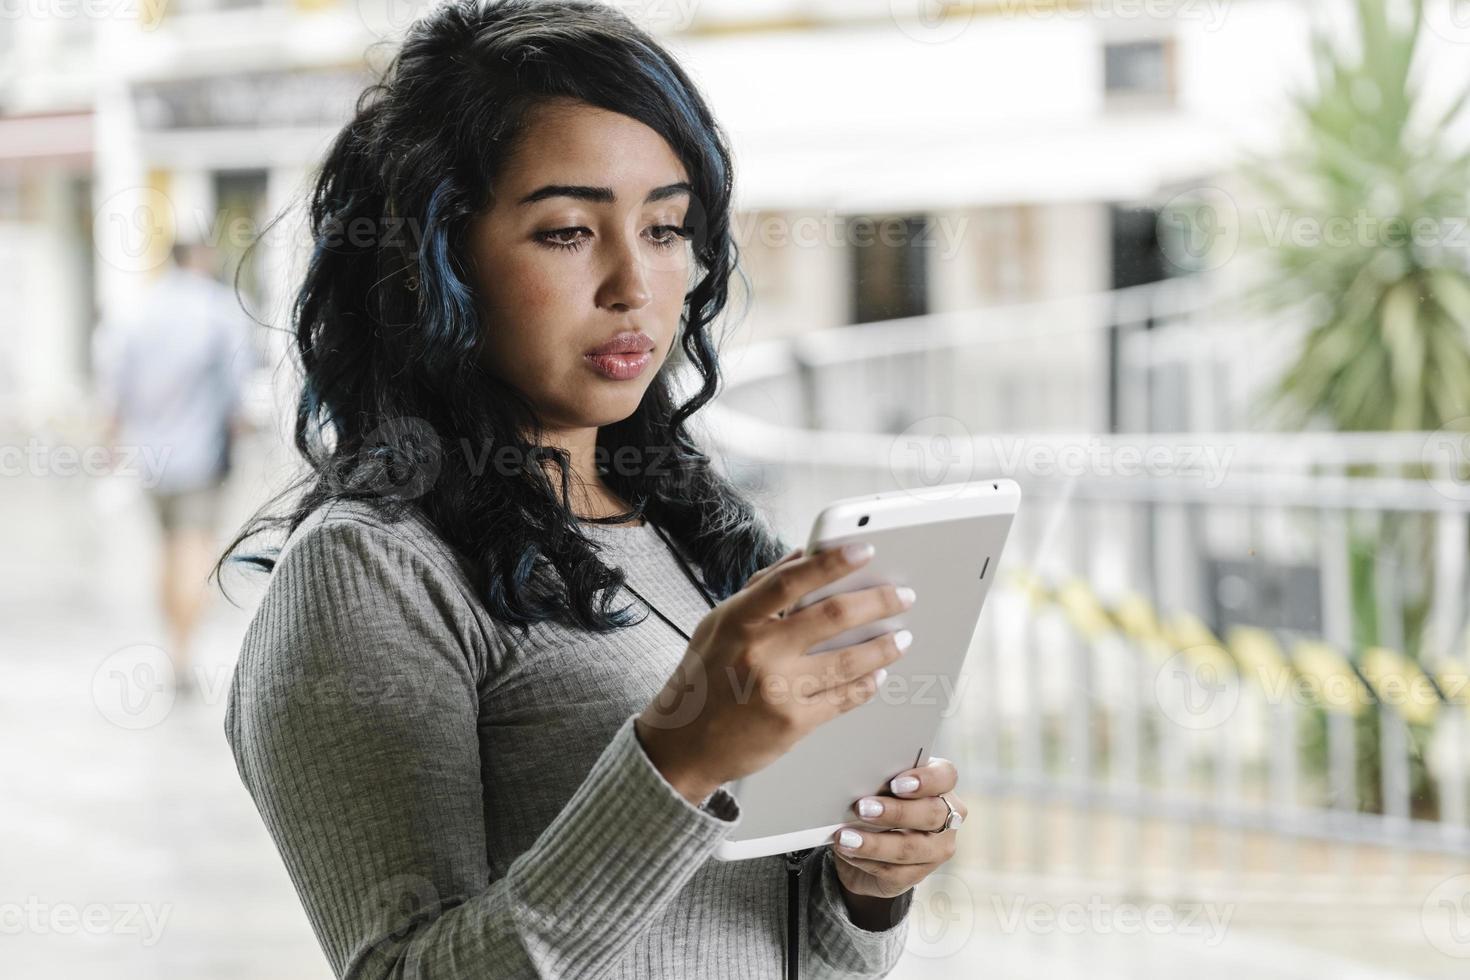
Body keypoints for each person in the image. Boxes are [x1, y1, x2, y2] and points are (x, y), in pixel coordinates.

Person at [219, 2, 968, 977]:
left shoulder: (691, 528)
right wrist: (679, 758)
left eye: (665, 227)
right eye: (569, 231)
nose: (635, 284)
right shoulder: (370, 566)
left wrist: (868, 890)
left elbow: (775, 948)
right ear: (434, 258)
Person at [93, 237, 257, 695]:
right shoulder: (218, 309)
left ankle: (172, 643)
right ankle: (183, 654)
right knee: (194, 549)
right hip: (200, 456)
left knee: (164, 548)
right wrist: (238, 423)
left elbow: (114, 382)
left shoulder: (139, 310)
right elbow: (236, 384)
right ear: (201, 259)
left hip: (149, 458)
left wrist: (112, 439)